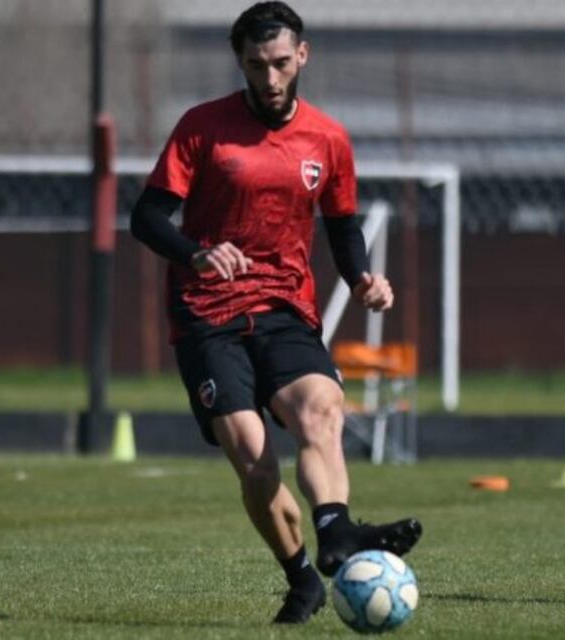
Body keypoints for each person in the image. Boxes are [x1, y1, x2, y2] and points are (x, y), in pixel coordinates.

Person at [130, 1, 421, 624]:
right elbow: (147, 217)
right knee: (253, 455)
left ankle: (337, 533)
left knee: (321, 407)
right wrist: (198, 254)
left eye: (281, 62)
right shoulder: (202, 127)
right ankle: (302, 576)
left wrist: (362, 277)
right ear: (241, 61)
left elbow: (342, 227)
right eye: (257, 64)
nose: (270, 77)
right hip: (206, 312)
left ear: (303, 56)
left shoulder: (328, 137)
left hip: (286, 304)